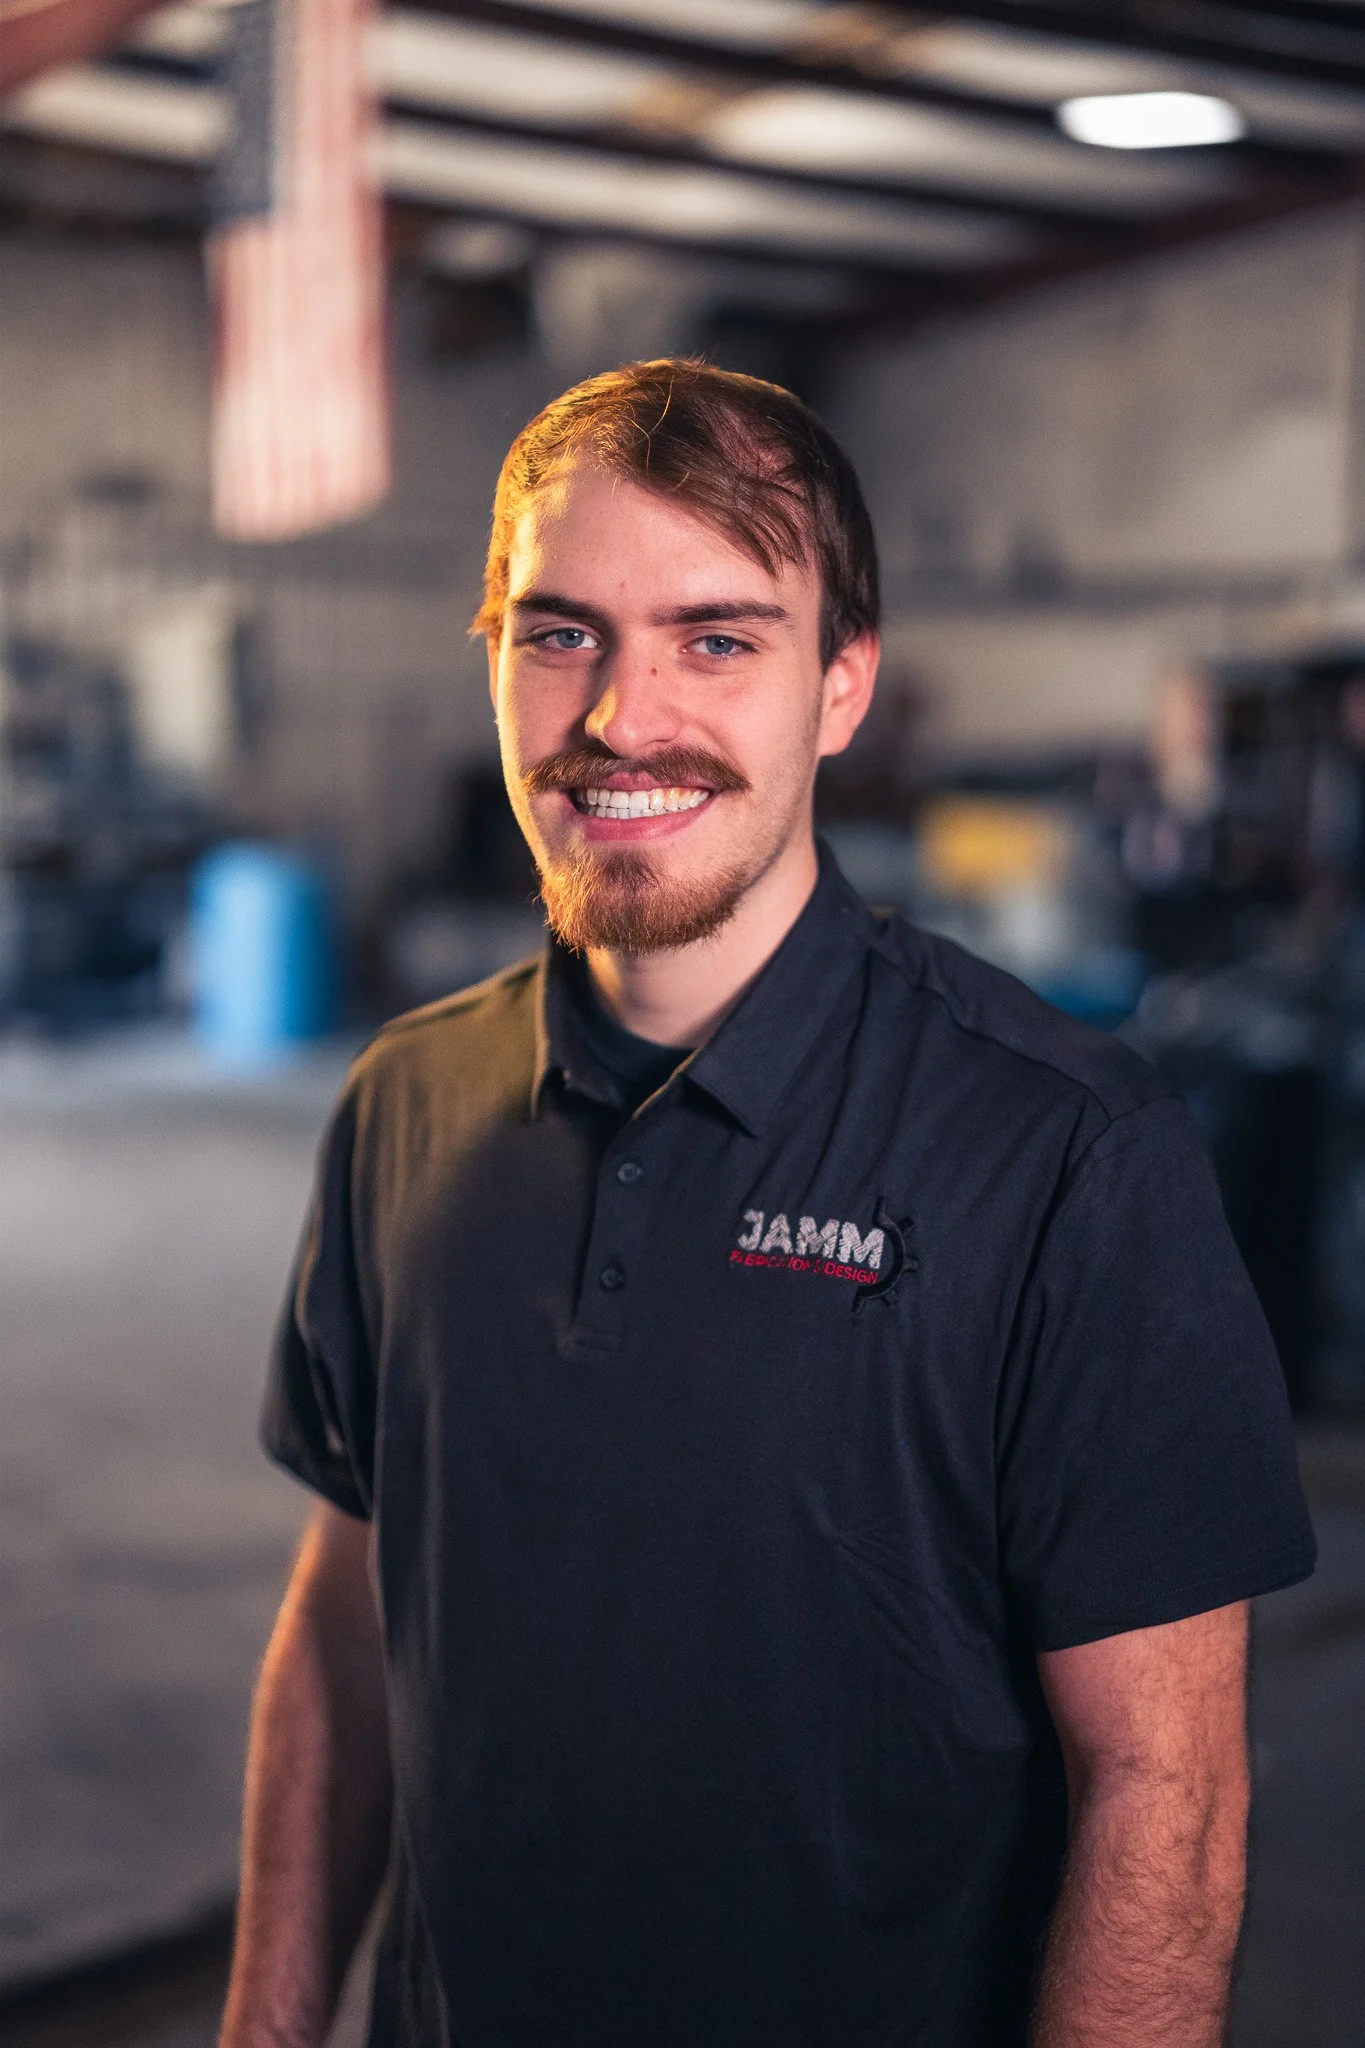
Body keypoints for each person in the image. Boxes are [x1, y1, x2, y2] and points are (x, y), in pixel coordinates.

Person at [221, 359, 1315, 2048]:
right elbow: (347, 1631)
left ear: (842, 689)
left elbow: (1164, 1801)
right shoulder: (401, 1106)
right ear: (496, 657)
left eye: (718, 639)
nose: (622, 718)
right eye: (561, 632)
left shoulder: (1070, 1160)